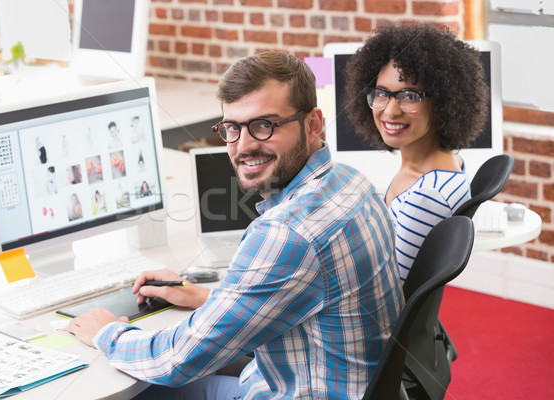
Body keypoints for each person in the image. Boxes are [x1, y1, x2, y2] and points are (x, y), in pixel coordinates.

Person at [66, 51, 403, 399]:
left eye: (264, 125)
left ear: (313, 124)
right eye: (231, 128)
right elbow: (294, 293)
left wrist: (106, 332)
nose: (243, 146)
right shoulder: (353, 183)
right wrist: (206, 297)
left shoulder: (287, 233)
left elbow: (176, 360)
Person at [343, 23, 489, 282]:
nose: (389, 111)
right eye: (381, 93)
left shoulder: (424, 199)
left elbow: (389, 297)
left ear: (444, 101)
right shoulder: (447, 161)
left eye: (409, 96)